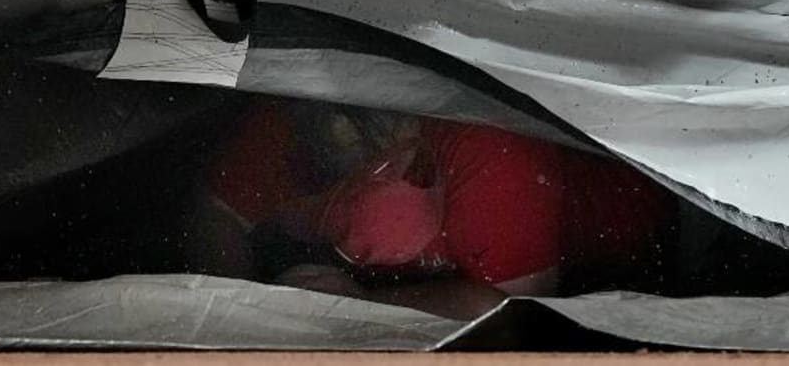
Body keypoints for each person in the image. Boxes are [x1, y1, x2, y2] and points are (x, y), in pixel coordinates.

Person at [193, 99, 677, 320]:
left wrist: (356, 306)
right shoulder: (289, 129)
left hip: (634, 252)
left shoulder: (491, 155)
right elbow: (214, 217)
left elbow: (511, 317)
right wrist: (249, 308)